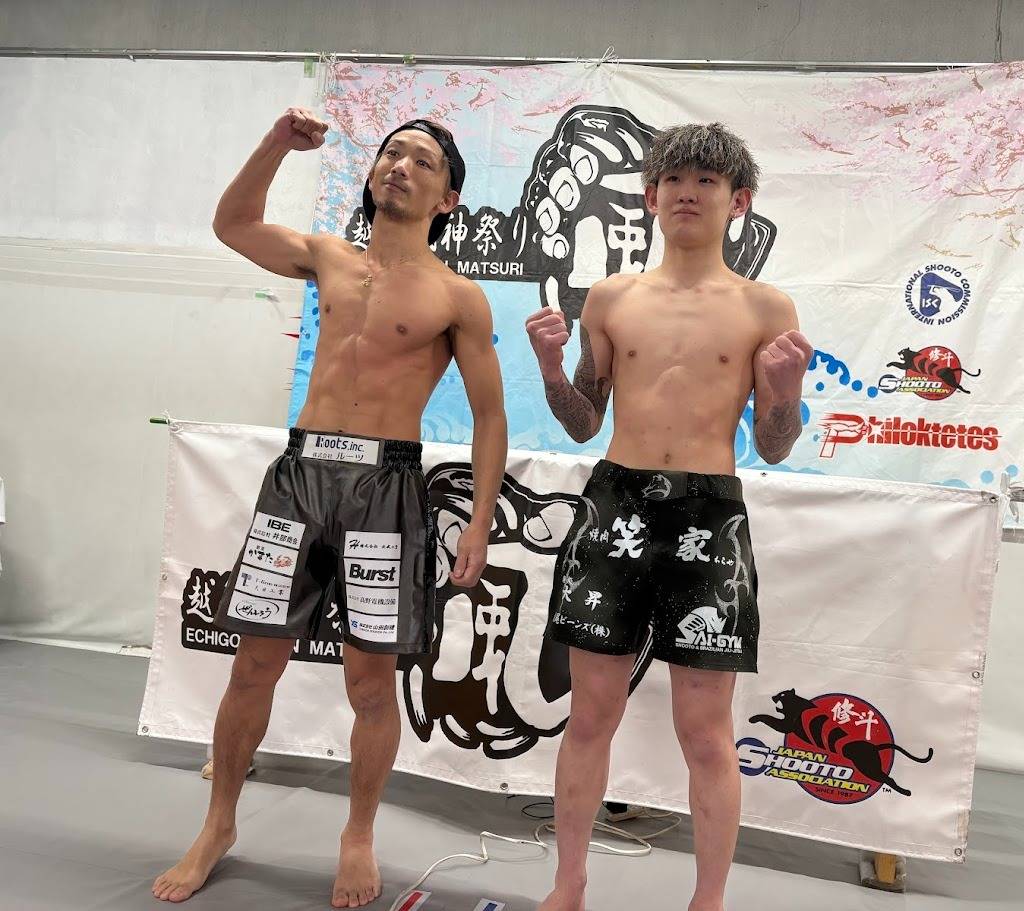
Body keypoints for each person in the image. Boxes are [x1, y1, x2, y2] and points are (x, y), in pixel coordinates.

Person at [153, 108, 507, 908]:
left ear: (448, 197)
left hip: (385, 489)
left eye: (422, 161)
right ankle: (218, 823)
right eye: (392, 153)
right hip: (300, 477)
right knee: (253, 663)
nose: (401, 166)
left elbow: (490, 417)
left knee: (371, 682)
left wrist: (479, 523)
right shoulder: (327, 257)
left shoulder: (457, 296)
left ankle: (357, 835)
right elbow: (233, 225)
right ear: (373, 173)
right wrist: (275, 143)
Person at [525, 122, 813, 911]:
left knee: (704, 728)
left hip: (708, 514)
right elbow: (583, 422)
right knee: (590, 713)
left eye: (707, 181)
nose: (689, 192)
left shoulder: (764, 305)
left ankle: (707, 900)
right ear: (650, 196)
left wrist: (786, 392)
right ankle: (568, 882)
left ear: (737, 201)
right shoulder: (611, 297)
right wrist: (550, 368)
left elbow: (774, 445)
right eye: (674, 179)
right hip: (614, 503)